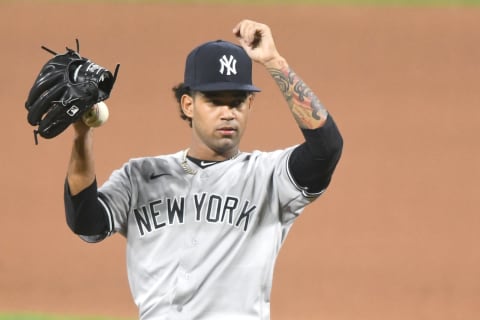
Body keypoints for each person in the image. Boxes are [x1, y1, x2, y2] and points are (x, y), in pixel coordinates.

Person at [64, 19, 343, 319]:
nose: (228, 113)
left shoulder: (268, 178)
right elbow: (86, 221)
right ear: (188, 104)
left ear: (250, 104)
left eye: (237, 102)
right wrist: (82, 135)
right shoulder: (139, 177)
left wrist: (275, 62)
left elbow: (325, 149)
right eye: (214, 101)